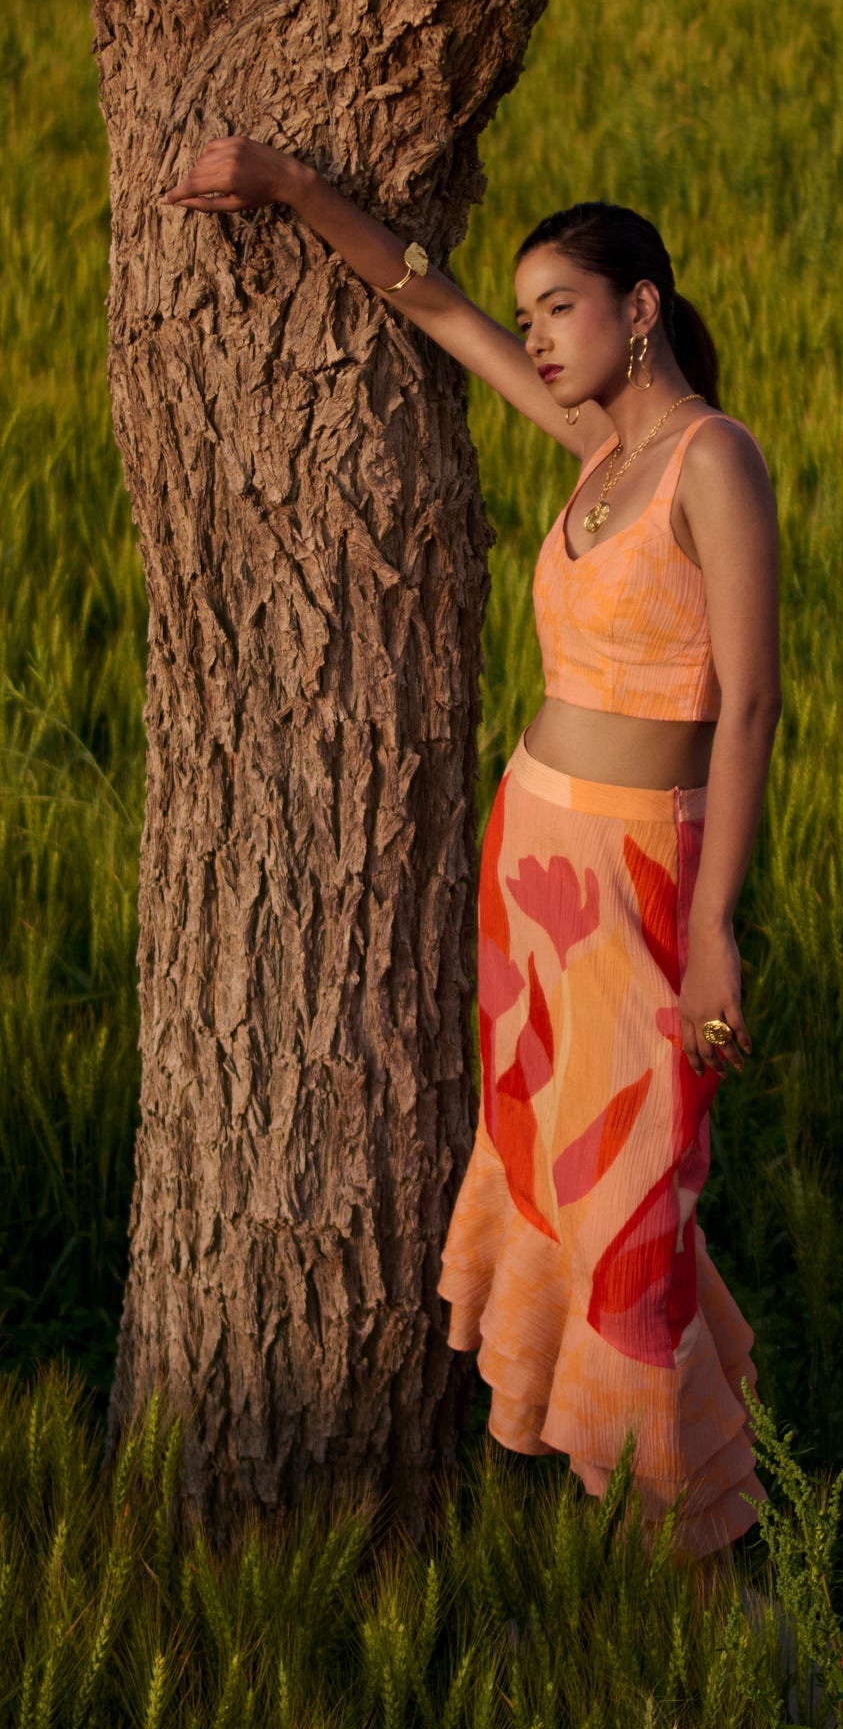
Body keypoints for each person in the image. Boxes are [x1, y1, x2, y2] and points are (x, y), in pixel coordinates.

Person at [163, 140, 782, 1559]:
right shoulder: (600, 456)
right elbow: (434, 308)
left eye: (558, 306)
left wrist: (714, 929)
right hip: (535, 873)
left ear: (640, 307)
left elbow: (746, 702)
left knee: (637, 1198)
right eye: (530, 315)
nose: (533, 337)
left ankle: (681, 1546)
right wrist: (289, 188)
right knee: (556, 1176)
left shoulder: (710, 458)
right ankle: (607, 1513)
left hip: (637, 881)